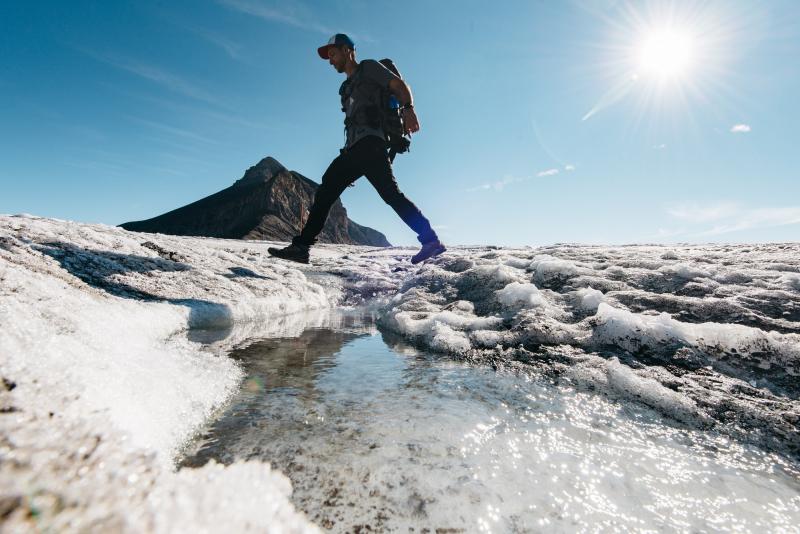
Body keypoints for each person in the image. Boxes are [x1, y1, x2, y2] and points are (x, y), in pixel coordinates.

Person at [268, 33, 445, 265]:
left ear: (347, 50)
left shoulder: (369, 68)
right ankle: (302, 247)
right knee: (342, 188)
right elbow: (353, 125)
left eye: (332, 54)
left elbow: (400, 86)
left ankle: (431, 240)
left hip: (371, 145)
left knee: (378, 193)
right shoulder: (346, 88)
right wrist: (348, 157)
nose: (330, 61)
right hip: (357, 149)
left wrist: (409, 108)